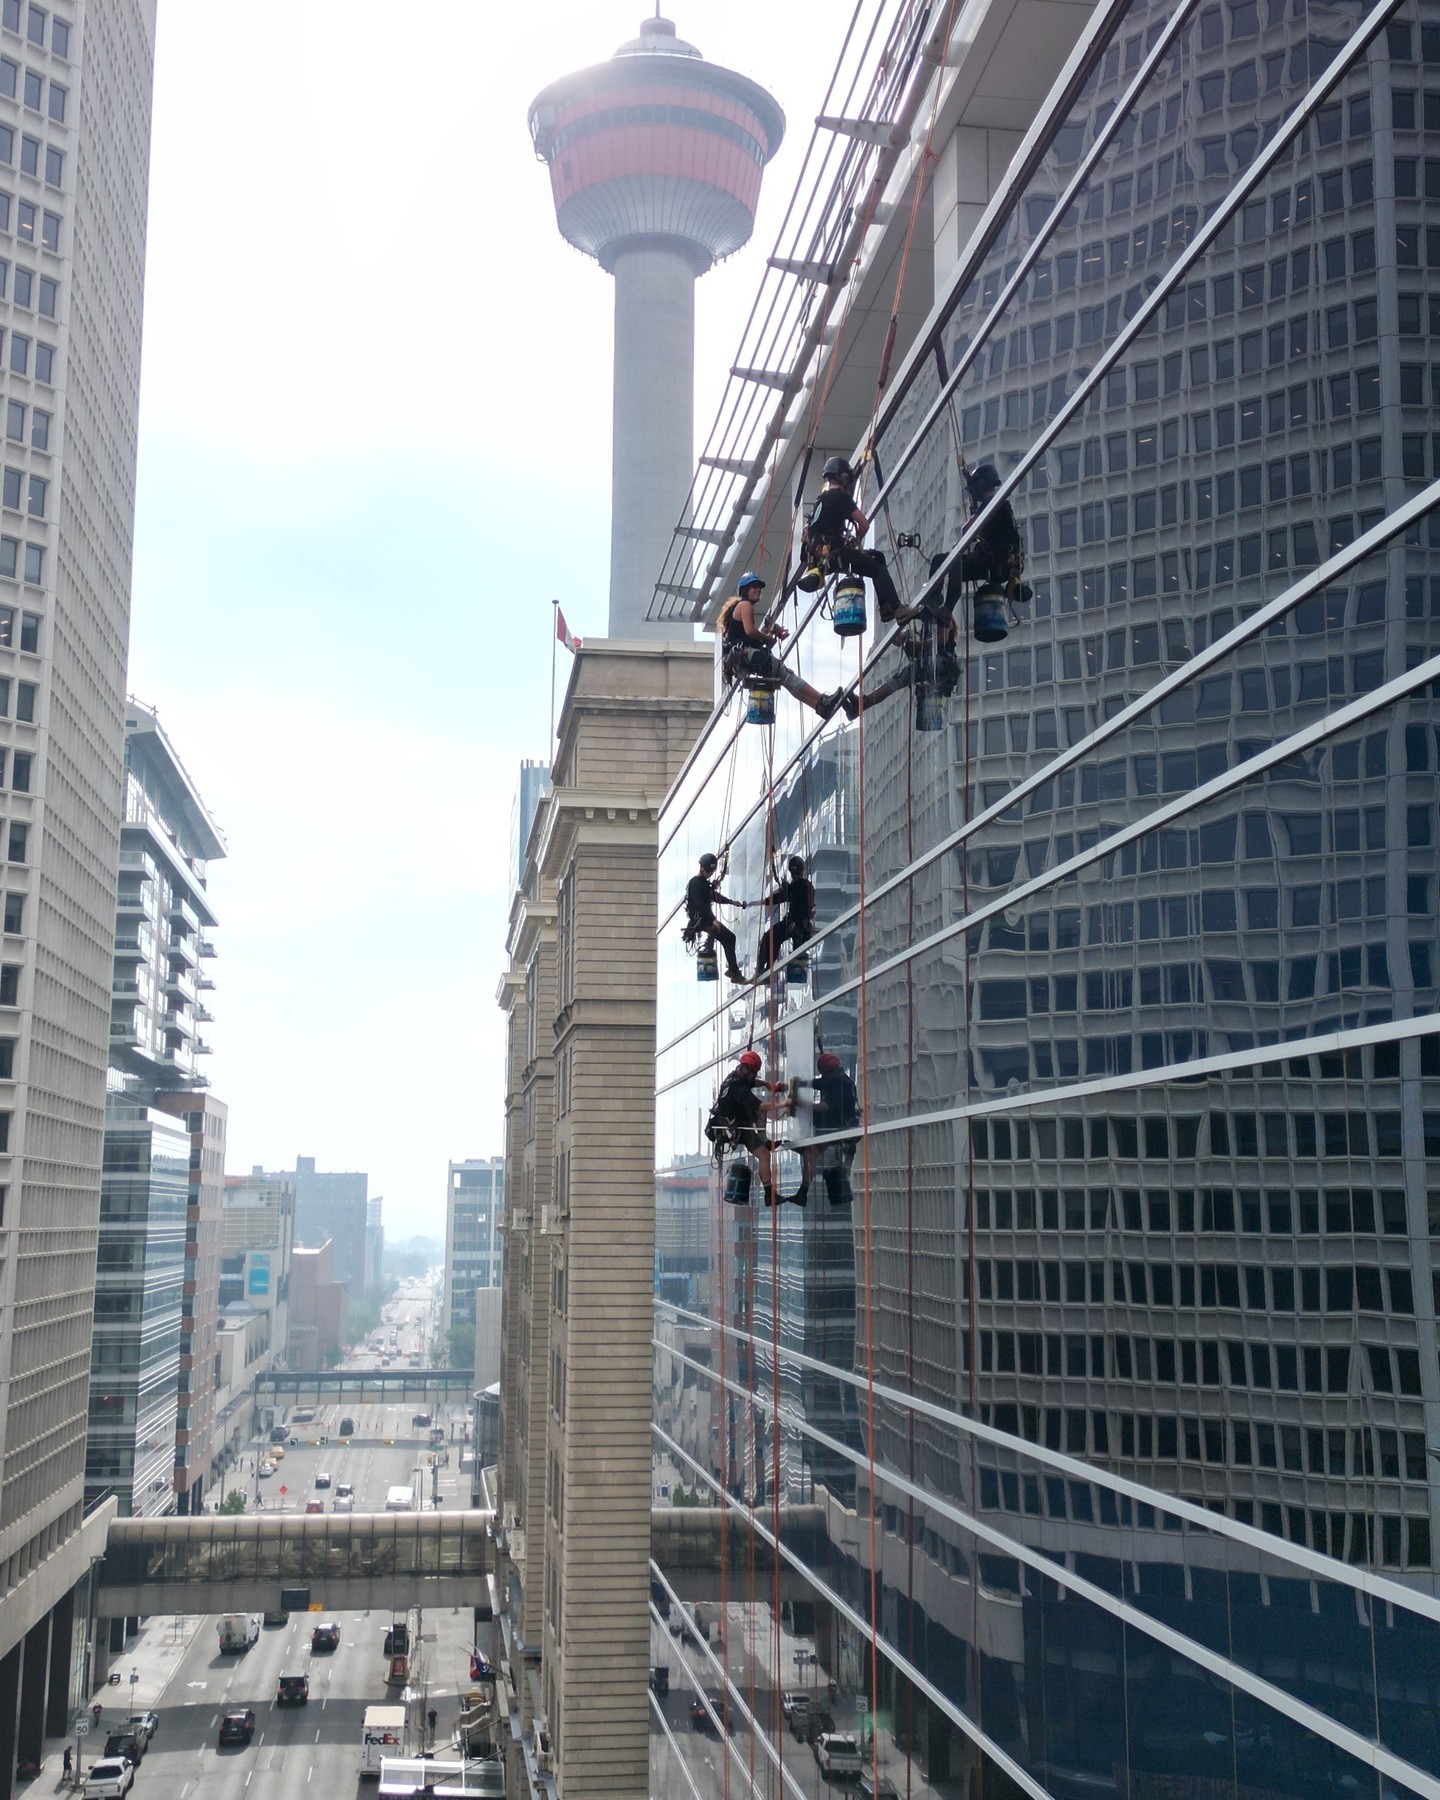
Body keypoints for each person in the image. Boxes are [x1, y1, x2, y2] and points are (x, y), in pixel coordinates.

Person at [718, 573, 848, 721]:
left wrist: (769, 634)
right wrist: (767, 638)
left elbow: (749, 636)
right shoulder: (744, 605)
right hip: (747, 655)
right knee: (787, 676)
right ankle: (822, 700)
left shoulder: (739, 609)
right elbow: (749, 631)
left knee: (785, 680)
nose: (758, 590)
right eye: (754, 587)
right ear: (745, 590)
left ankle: (818, 707)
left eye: (759, 587)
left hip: (743, 659)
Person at [797, 456, 904, 624]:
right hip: (836, 552)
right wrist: (858, 539)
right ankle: (898, 609)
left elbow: (805, 543)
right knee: (877, 569)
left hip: (824, 558)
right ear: (843, 477)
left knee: (877, 557)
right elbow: (864, 524)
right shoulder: (839, 496)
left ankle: (886, 609)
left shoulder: (819, 502)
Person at [923, 463, 1032, 616]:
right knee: (943, 561)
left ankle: (944, 607)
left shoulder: (994, 504)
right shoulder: (1000, 505)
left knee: (951, 562)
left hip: (995, 562)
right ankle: (933, 603)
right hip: (996, 563)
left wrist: (959, 547)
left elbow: (967, 530)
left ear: (980, 486)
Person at [706, 1050, 788, 1205]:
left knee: (758, 1113)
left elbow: (753, 1082)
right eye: (753, 1072)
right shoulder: (738, 1089)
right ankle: (769, 1195)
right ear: (747, 1070)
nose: (754, 1076)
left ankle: (764, 1141)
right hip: (735, 1129)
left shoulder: (735, 1077)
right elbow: (761, 1105)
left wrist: (770, 1086)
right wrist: (782, 1104)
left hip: (732, 1123)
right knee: (764, 1155)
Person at [856, 611, 960, 719]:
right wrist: (902, 638)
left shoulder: (943, 617)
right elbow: (923, 644)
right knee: (897, 680)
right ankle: (862, 704)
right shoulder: (928, 624)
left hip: (943, 665)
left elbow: (941, 641)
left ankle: (862, 704)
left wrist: (918, 646)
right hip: (929, 665)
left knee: (901, 678)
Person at [801, 1052, 860, 1206]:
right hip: (835, 1130)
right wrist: (796, 1084)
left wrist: (802, 1105)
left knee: (836, 1170)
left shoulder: (843, 1085)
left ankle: (809, 1192)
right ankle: (803, 1191)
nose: (824, 1078)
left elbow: (825, 1107)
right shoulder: (831, 1080)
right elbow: (816, 1083)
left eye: (826, 1075)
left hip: (841, 1132)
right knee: (810, 1155)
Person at [683, 853, 745, 982]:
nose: (710, 874)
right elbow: (701, 905)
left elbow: (714, 897)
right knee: (729, 938)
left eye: (712, 871)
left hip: (704, 920)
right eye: (709, 871)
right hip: (702, 922)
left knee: (729, 938)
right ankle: (734, 973)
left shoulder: (703, 884)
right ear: (702, 868)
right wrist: (713, 920)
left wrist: (731, 902)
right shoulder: (695, 883)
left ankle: (733, 971)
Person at [753, 855, 816, 978]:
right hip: (794, 923)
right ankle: (765, 970)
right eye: (793, 873)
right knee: (772, 938)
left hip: (798, 925)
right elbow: (781, 897)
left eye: (795, 873)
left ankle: (763, 970)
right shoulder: (795, 887)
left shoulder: (805, 886)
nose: (794, 876)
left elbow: (806, 908)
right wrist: (764, 902)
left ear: (800, 872)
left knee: (770, 937)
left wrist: (796, 922)